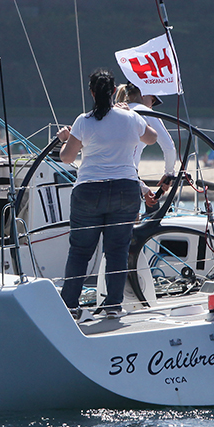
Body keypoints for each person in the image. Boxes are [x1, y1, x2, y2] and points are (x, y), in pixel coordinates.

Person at [57, 69, 158, 322]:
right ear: (115, 91)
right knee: (117, 251)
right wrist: (130, 113)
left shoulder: (83, 121)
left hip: (88, 190)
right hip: (125, 190)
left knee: (80, 252)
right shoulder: (130, 117)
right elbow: (152, 138)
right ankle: (113, 304)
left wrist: (65, 139)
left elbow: (67, 158)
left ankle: (70, 304)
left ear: (91, 92)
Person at [115, 83, 176, 216]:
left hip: (104, 181)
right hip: (127, 182)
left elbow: (116, 163)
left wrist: (143, 188)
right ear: (143, 94)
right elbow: (169, 147)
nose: (152, 105)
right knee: (128, 232)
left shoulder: (114, 112)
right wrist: (169, 174)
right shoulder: (145, 112)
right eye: (153, 100)